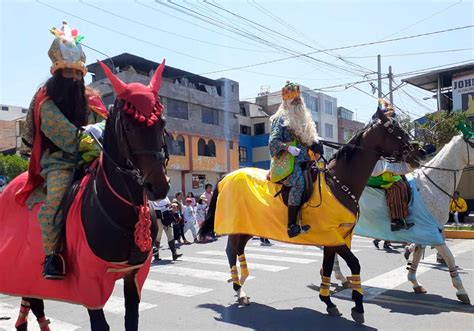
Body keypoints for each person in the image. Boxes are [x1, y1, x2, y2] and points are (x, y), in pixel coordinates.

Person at [15, 22, 107, 280]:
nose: (76, 78)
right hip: (60, 161)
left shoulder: (89, 98)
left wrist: (103, 130)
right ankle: (52, 256)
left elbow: (104, 122)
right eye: (70, 73)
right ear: (58, 72)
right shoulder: (46, 102)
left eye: (79, 73)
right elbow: (65, 136)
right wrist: (91, 136)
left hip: (94, 155)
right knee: (54, 201)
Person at [268, 81, 322, 238]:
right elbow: (273, 142)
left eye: (298, 99)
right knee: (298, 182)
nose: (298, 102)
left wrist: (316, 144)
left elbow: (307, 140)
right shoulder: (280, 119)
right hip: (287, 165)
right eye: (294, 100)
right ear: (286, 102)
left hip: (304, 162)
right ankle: (291, 225)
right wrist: (288, 148)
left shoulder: (302, 122)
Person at [150, 197, 183, 261]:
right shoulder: (153, 196)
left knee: (170, 235)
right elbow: (155, 206)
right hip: (159, 218)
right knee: (158, 237)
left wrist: (172, 205)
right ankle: (156, 255)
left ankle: (174, 253)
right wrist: (166, 205)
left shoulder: (165, 197)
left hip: (167, 217)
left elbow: (169, 204)